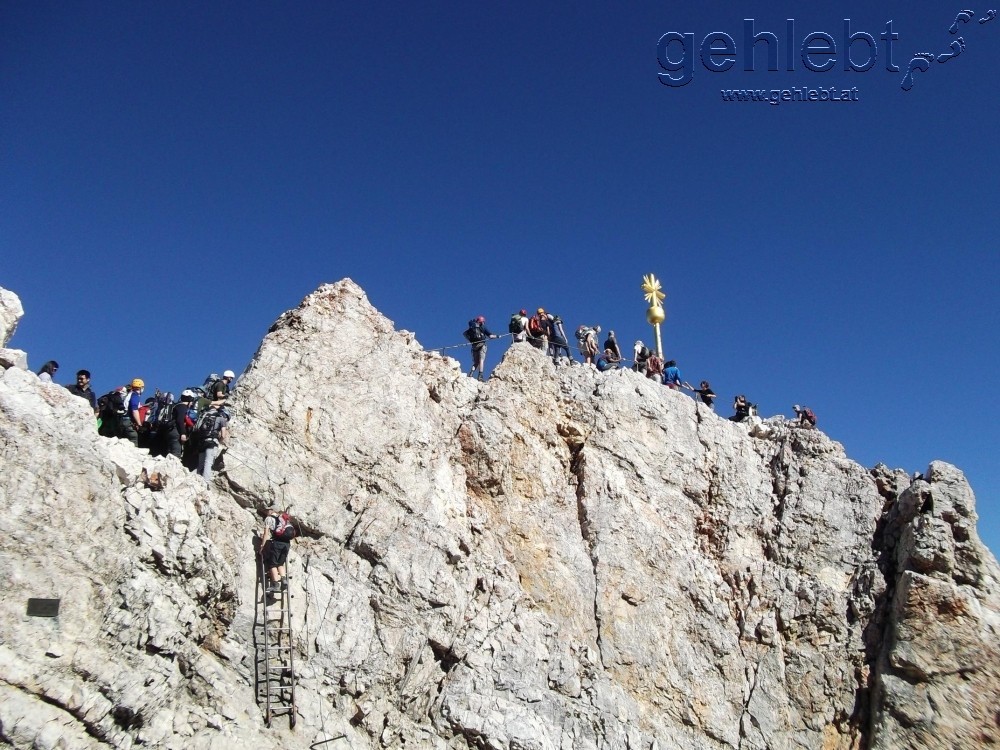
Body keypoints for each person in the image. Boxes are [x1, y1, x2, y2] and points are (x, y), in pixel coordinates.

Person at [261, 509, 296, 596]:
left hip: (277, 543)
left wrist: (262, 546)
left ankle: (276, 584)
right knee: (280, 563)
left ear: (268, 512)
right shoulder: (284, 519)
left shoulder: (269, 519)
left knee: (272, 564)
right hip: (287, 544)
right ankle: (284, 579)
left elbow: (266, 534)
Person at [197, 405, 230, 481]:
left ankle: (194, 479)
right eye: (227, 418)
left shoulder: (207, 417)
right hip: (211, 442)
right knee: (208, 463)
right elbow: (223, 435)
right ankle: (205, 483)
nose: (226, 420)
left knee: (200, 464)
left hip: (202, 441)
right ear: (225, 415)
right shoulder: (222, 419)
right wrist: (219, 441)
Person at [464, 315, 498, 381]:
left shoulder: (472, 328)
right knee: (481, 360)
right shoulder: (482, 327)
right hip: (482, 345)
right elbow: (490, 336)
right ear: (482, 322)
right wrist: (497, 336)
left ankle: (471, 374)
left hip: (474, 346)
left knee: (476, 362)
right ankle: (480, 376)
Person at [122, 379, 145, 446]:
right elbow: (134, 410)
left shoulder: (128, 394)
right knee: (133, 438)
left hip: (122, 420)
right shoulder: (135, 395)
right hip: (127, 420)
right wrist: (139, 424)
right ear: (141, 388)